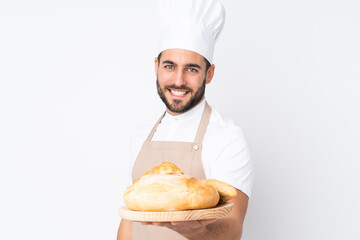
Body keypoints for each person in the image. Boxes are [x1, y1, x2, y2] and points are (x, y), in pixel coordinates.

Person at [117, 0, 253, 239]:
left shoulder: (226, 138)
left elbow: (232, 229)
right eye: (170, 66)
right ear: (157, 66)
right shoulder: (141, 135)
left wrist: (191, 227)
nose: (178, 81)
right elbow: (130, 222)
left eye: (191, 69)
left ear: (209, 74)